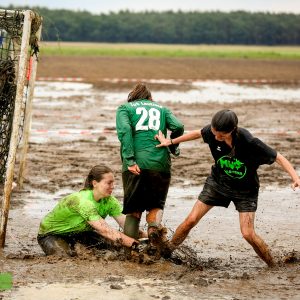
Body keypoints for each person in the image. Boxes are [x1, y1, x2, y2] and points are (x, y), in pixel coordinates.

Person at [155, 109, 300, 266]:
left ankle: (273, 265)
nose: (216, 138)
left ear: (233, 130)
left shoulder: (249, 142)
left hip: (245, 190)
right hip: (218, 183)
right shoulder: (211, 132)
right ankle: (166, 252)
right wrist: (170, 142)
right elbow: (197, 133)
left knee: (248, 234)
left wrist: (295, 178)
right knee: (190, 220)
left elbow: (279, 157)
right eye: (214, 133)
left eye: (221, 135)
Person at [116, 82, 184, 256]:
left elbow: (124, 131)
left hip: (136, 164)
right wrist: (172, 146)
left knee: (134, 212)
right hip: (160, 164)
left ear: (132, 97)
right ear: (150, 98)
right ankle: (155, 243)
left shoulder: (125, 108)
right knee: (155, 207)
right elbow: (178, 126)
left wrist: (130, 160)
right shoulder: (162, 109)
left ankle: (129, 254)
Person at [37, 165, 140, 257]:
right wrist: (135, 244)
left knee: (115, 250)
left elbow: (126, 225)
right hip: (51, 234)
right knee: (65, 258)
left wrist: (149, 238)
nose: (113, 187)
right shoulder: (83, 201)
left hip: (81, 233)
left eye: (113, 182)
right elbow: (105, 230)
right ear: (95, 183)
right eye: (109, 183)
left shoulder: (110, 201)